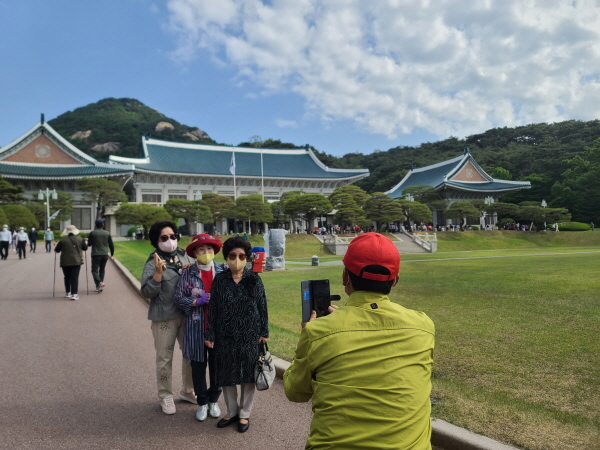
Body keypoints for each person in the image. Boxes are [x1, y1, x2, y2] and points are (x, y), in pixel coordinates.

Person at [284, 232, 435, 450]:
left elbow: (295, 392)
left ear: (345, 276)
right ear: (396, 280)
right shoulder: (423, 326)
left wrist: (315, 333)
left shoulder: (319, 331)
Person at [205, 236, 269, 434]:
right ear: (226, 257)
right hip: (225, 336)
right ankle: (231, 411)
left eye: (241, 255)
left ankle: (244, 413)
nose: (237, 258)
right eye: (232, 255)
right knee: (227, 375)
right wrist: (210, 334)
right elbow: (213, 308)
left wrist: (264, 331)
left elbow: (262, 306)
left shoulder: (253, 279)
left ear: (247, 257)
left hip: (250, 335)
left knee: (249, 376)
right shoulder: (220, 280)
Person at [140, 220, 196, 415]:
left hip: (187, 313)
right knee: (164, 357)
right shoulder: (152, 262)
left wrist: (192, 270)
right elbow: (147, 292)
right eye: (164, 238)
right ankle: (165, 395)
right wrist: (157, 275)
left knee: (190, 354)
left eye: (173, 236)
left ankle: (188, 390)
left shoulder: (184, 255)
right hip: (165, 316)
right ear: (156, 240)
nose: (170, 241)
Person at [174, 234, 225, 422]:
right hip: (196, 328)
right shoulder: (187, 273)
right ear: (195, 253)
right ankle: (202, 402)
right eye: (202, 249)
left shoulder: (223, 271)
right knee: (198, 367)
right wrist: (196, 301)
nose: (206, 253)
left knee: (217, 366)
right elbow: (178, 298)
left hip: (219, 329)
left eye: (209, 249)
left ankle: (214, 400)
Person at [54, 225, 88, 300]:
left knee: (67, 277)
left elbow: (57, 250)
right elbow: (85, 248)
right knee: (74, 277)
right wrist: (85, 243)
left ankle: (68, 292)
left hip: (65, 261)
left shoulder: (63, 240)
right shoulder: (80, 239)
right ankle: (74, 294)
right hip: (76, 261)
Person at [87, 218, 114, 293]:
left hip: (96, 254)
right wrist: (112, 254)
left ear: (96, 225)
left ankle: (98, 283)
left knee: (94, 270)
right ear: (103, 225)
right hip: (105, 254)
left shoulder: (93, 233)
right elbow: (111, 245)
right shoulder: (107, 233)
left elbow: (89, 244)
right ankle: (99, 285)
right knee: (102, 270)